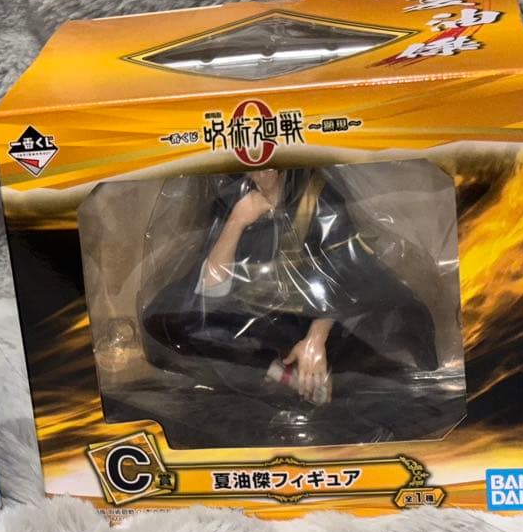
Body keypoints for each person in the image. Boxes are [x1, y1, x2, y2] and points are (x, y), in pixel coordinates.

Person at [140, 168, 440, 409]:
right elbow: (210, 289)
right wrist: (237, 221)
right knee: (167, 320)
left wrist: (315, 340)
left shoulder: (316, 195)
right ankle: (281, 371)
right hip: (259, 322)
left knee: (386, 324)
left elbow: (347, 275)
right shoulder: (235, 197)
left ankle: (326, 373)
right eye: (254, 166)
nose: (262, 173)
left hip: (318, 320)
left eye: (271, 166)